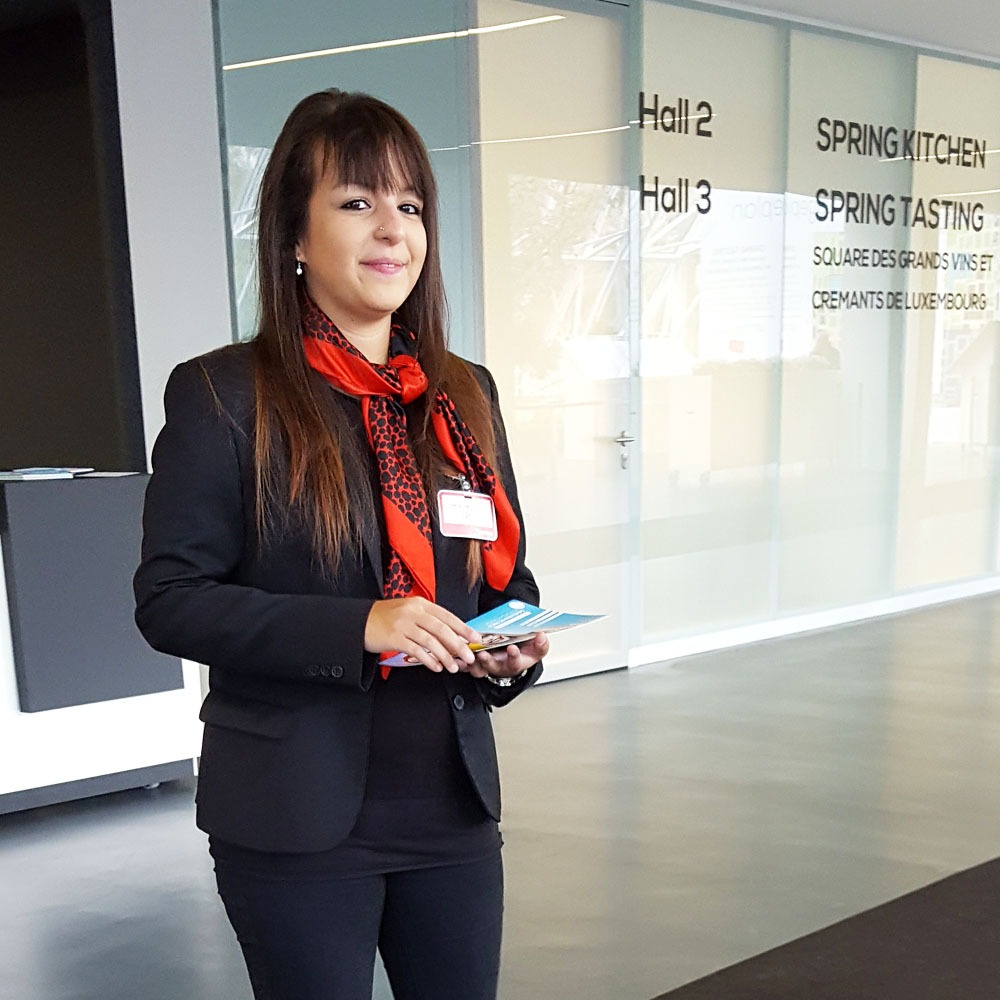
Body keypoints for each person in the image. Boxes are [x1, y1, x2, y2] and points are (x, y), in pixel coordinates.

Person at [133, 88, 546, 1000]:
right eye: (357, 202)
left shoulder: (462, 393)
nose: (392, 230)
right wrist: (361, 625)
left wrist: (509, 644)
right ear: (294, 233)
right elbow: (171, 600)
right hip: (293, 812)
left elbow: (498, 580)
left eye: (411, 205)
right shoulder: (224, 395)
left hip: (451, 806)